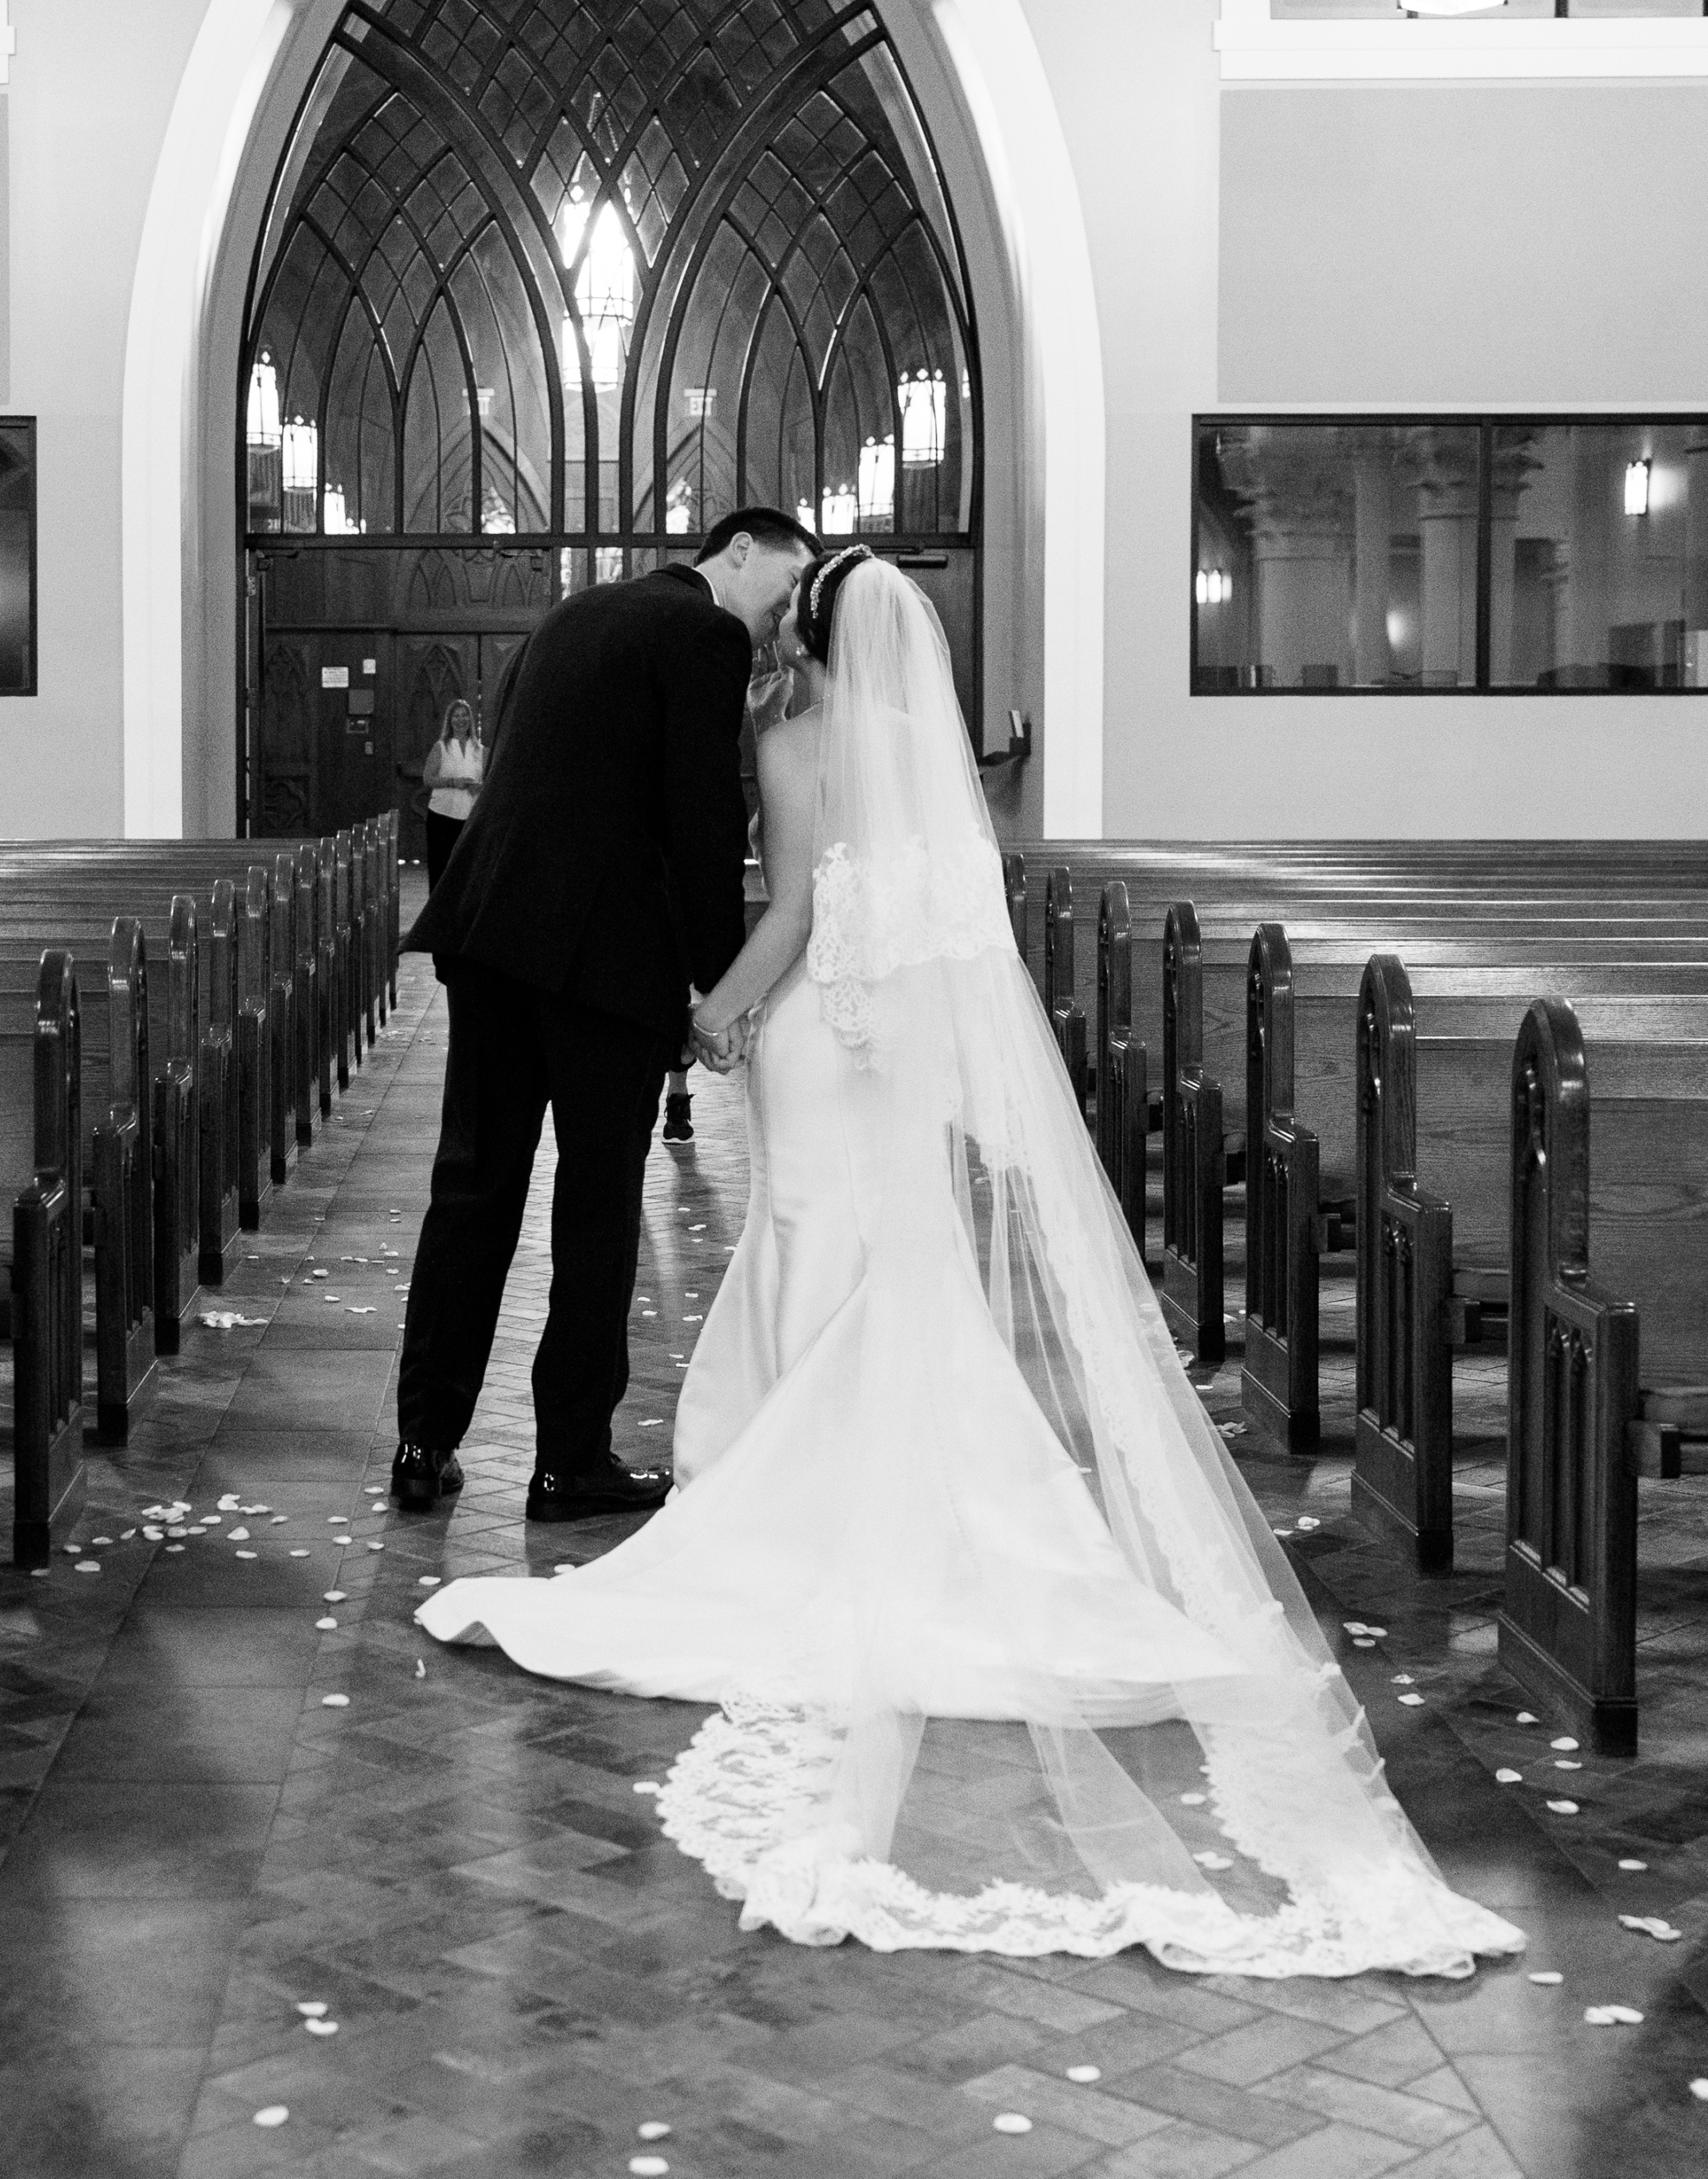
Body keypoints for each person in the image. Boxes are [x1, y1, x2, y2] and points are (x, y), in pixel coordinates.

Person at [417, 548, 1525, 1983]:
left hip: (820, 1022)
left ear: (807, 631)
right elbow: (919, 910)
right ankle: (903, 1486)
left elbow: (805, 904)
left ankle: (778, 1484)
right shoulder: (927, 755)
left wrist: (719, 1010)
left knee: (807, 1235)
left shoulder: (788, 732)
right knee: (887, 1249)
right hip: (903, 1043)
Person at [390, 506, 818, 1525]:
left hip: (493, 935)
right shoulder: (706, 633)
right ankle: (568, 1461)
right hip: (604, 962)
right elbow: (701, 819)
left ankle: (423, 1439)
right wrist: (719, 990)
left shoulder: (575, 613)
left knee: (473, 1185)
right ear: (740, 551)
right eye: (784, 588)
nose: (783, 616)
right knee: (595, 1206)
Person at [420, 699, 484, 888]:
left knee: (465, 869)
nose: (461, 720)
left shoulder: (480, 750)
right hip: (442, 816)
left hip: (468, 817)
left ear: (470, 720)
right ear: (449, 721)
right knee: (440, 868)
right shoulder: (441, 747)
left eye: (464, 716)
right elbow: (428, 778)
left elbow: (487, 781)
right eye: (456, 716)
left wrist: (478, 786)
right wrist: (453, 782)